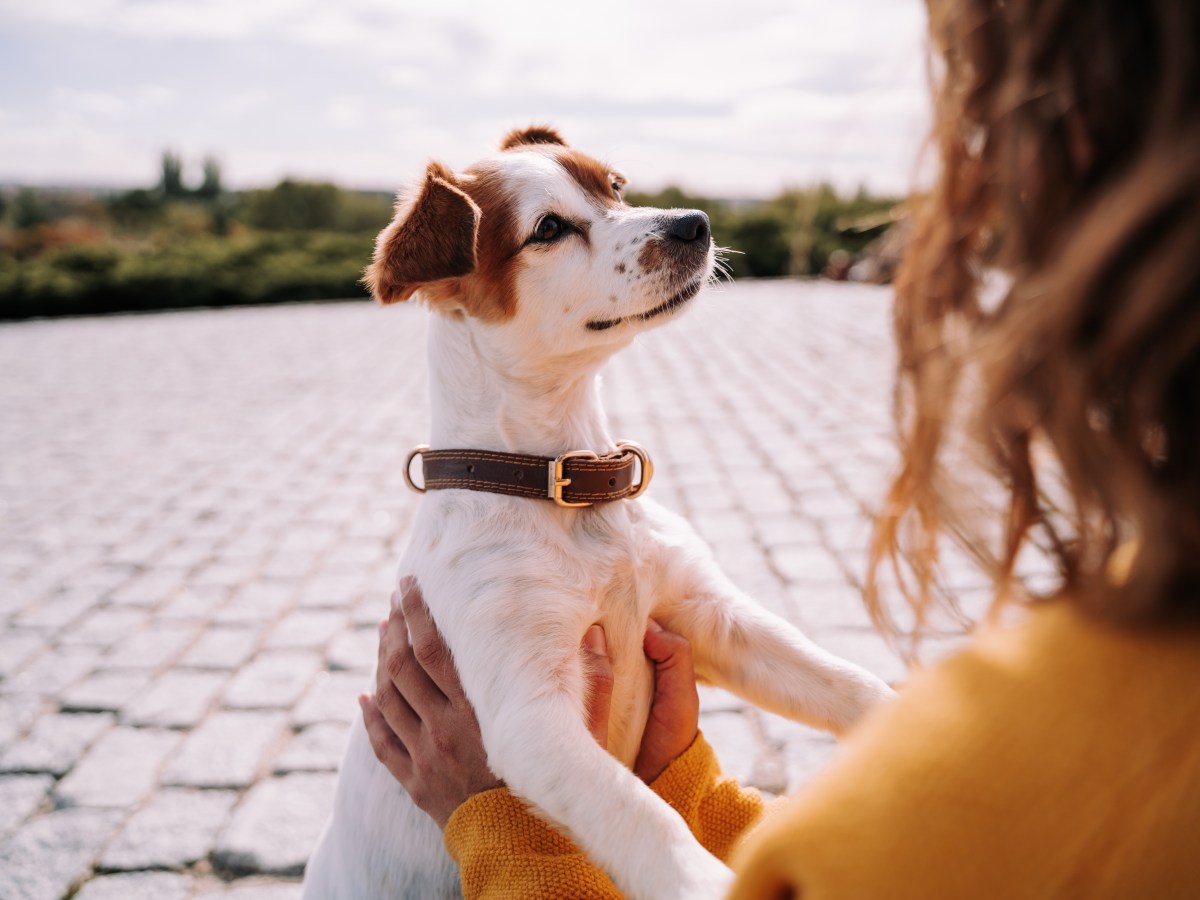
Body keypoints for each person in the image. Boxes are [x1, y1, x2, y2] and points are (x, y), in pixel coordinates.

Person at [358, 0, 1200, 895]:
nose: (651, 225)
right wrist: (688, 867)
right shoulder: (475, 559)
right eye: (555, 232)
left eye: (609, 195)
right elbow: (532, 741)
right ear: (451, 288)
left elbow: (731, 638)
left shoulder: (629, 518)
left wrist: (903, 732)